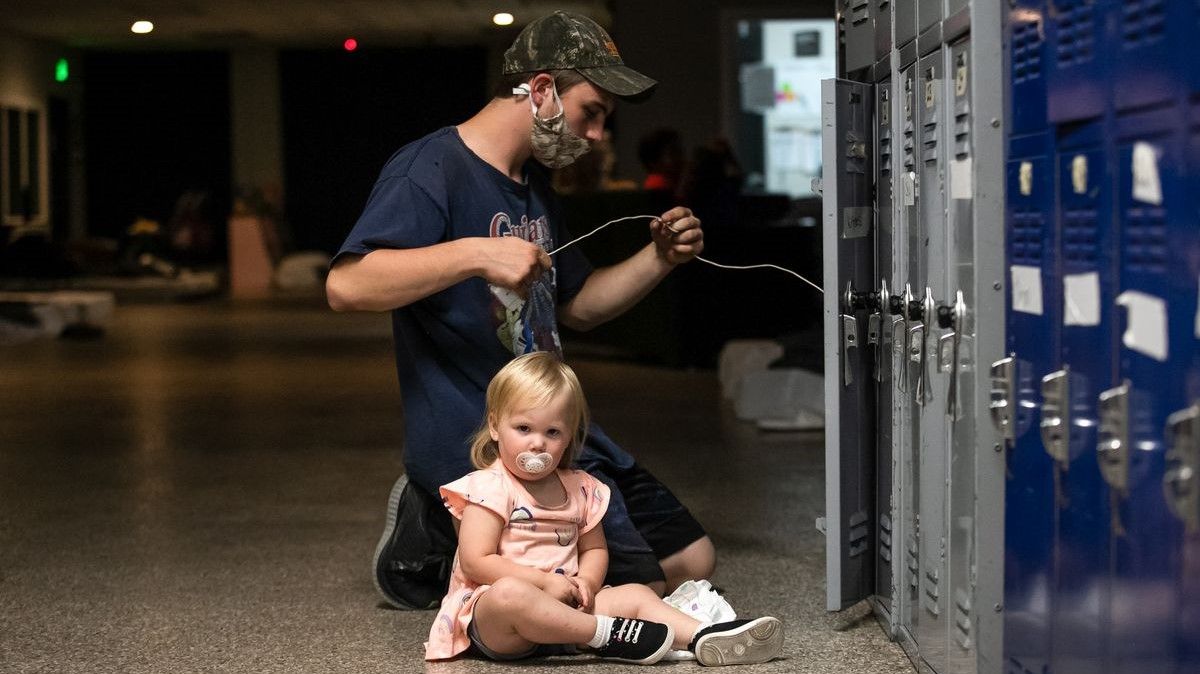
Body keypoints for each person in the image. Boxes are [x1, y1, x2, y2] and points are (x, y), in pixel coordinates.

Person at [326, 10, 716, 607]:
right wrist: (475, 254)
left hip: (554, 430)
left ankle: (445, 529)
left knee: (693, 561)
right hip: (485, 441)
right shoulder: (430, 168)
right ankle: (440, 509)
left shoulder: (534, 187)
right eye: (592, 113)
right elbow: (347, 286)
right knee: (638, 589)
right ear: (540, 90)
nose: (597, 136)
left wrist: (660, 258)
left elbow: (579, 309)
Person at [425, 352, 783, 665]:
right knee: (510, 595)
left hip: (568, 607)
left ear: (570, 436)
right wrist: (543, 583)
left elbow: (594, 548)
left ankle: (704, 635)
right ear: (494, 426)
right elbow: (477, 561)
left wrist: (588, 582)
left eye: (552, 432)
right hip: (502, 623)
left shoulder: (582, 488)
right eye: (523, 428)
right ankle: (604, 634)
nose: (537, 443)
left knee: (637, 594)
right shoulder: (489, 486)